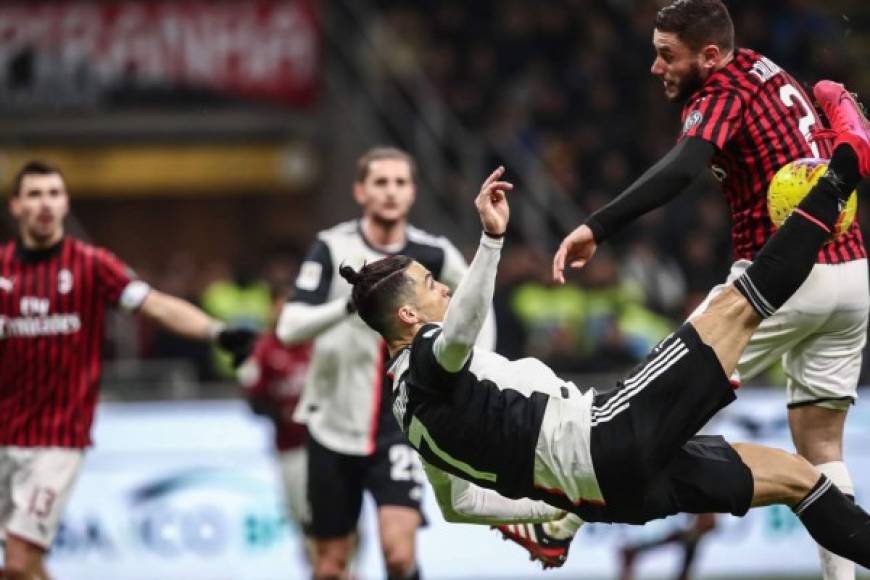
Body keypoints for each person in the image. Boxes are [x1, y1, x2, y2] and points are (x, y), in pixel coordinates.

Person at [339, 95, 870, 571]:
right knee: (740, 304)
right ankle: (844, 172)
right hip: (607, 432)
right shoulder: (431, 357)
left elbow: (460, 507)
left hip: (607, 496)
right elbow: (461, 330)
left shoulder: (407, 411)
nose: (444, 290)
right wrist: (491, 240)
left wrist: (550, 511)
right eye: (431, 284)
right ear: (407, 317)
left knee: (799, 479)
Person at [552, 2, 867, 578]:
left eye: (667, 54)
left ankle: (560, 516)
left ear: (711, 56)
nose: (655, 67)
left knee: (654, 398)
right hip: (851, 275)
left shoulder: (722, 91)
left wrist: (597, 225)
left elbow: (681, 167)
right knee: (822, 449)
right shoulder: (767, 70)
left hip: (779, 278)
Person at [0, 160, 255, 579]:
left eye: (53, 194)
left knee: (17, 559)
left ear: (65, 204)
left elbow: (155, 304)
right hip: (6, 434)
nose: (44, 203)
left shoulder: (91, 265)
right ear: (16, 206)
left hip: (58, 438)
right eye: (34, 194)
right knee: (25, 565)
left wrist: (216, 331)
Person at [276, 147, 495, 580]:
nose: (390, 192)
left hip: (401, 423)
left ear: (413, 192)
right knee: (331, 565)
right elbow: (289, 327)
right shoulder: (332, 246)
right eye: (380, 182)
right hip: (333, 425)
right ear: (360, 191)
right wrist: (348, 307)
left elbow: (477, 309)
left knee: (398, 554)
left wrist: (475, 371)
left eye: (400, 182)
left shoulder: (432, 254)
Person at [237, 289, 315, 570]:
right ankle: (319, 571)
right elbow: (253, 400)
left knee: (345, 517)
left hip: (334, 444)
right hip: (292, 447)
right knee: (304, 521)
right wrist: (281, 414)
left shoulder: (319, 343)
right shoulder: (265, 349)